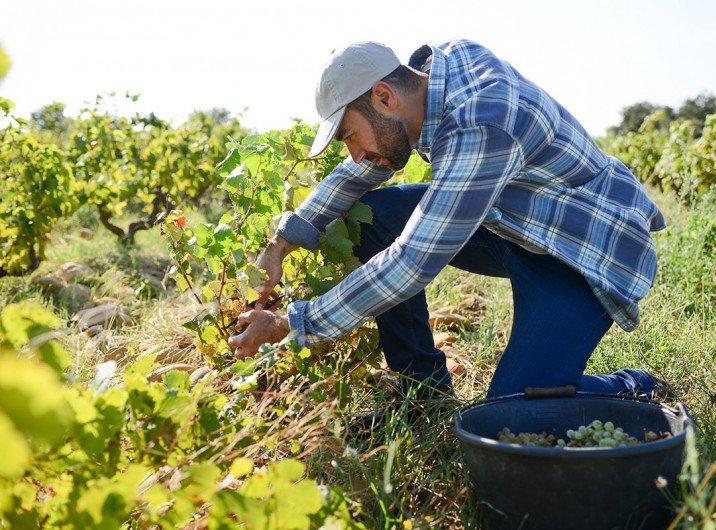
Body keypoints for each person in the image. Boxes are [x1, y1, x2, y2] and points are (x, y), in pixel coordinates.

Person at [227, 39, 668, 400]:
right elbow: (356, 174)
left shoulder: (481, 121)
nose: (355, 153)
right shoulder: (423, 89)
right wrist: (278, 248)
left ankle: (628, 388)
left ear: (384, 95)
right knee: (372, 218)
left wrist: (289, 322)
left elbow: (410, 264)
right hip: (516, 225)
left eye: (349, 136)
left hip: (583, 249)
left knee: (513, 411)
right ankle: (424, 390)